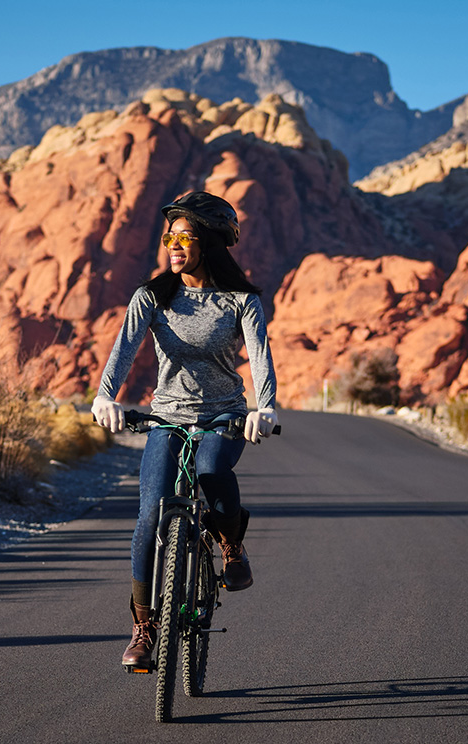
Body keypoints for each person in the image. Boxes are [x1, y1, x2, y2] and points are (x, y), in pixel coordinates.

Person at [91, 191, 279, 672]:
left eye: (184, 237)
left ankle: (231, 544)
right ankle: (144, 628)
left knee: (213, 467)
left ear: (209, 243)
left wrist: (266, 408)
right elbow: (123, 351)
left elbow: (259, 358)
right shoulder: (152, 296)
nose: (173, 245)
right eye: (168, 236)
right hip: (167, 416)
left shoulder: (241, 300)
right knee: (150, 514)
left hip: (224, 415)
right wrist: (104, 398)